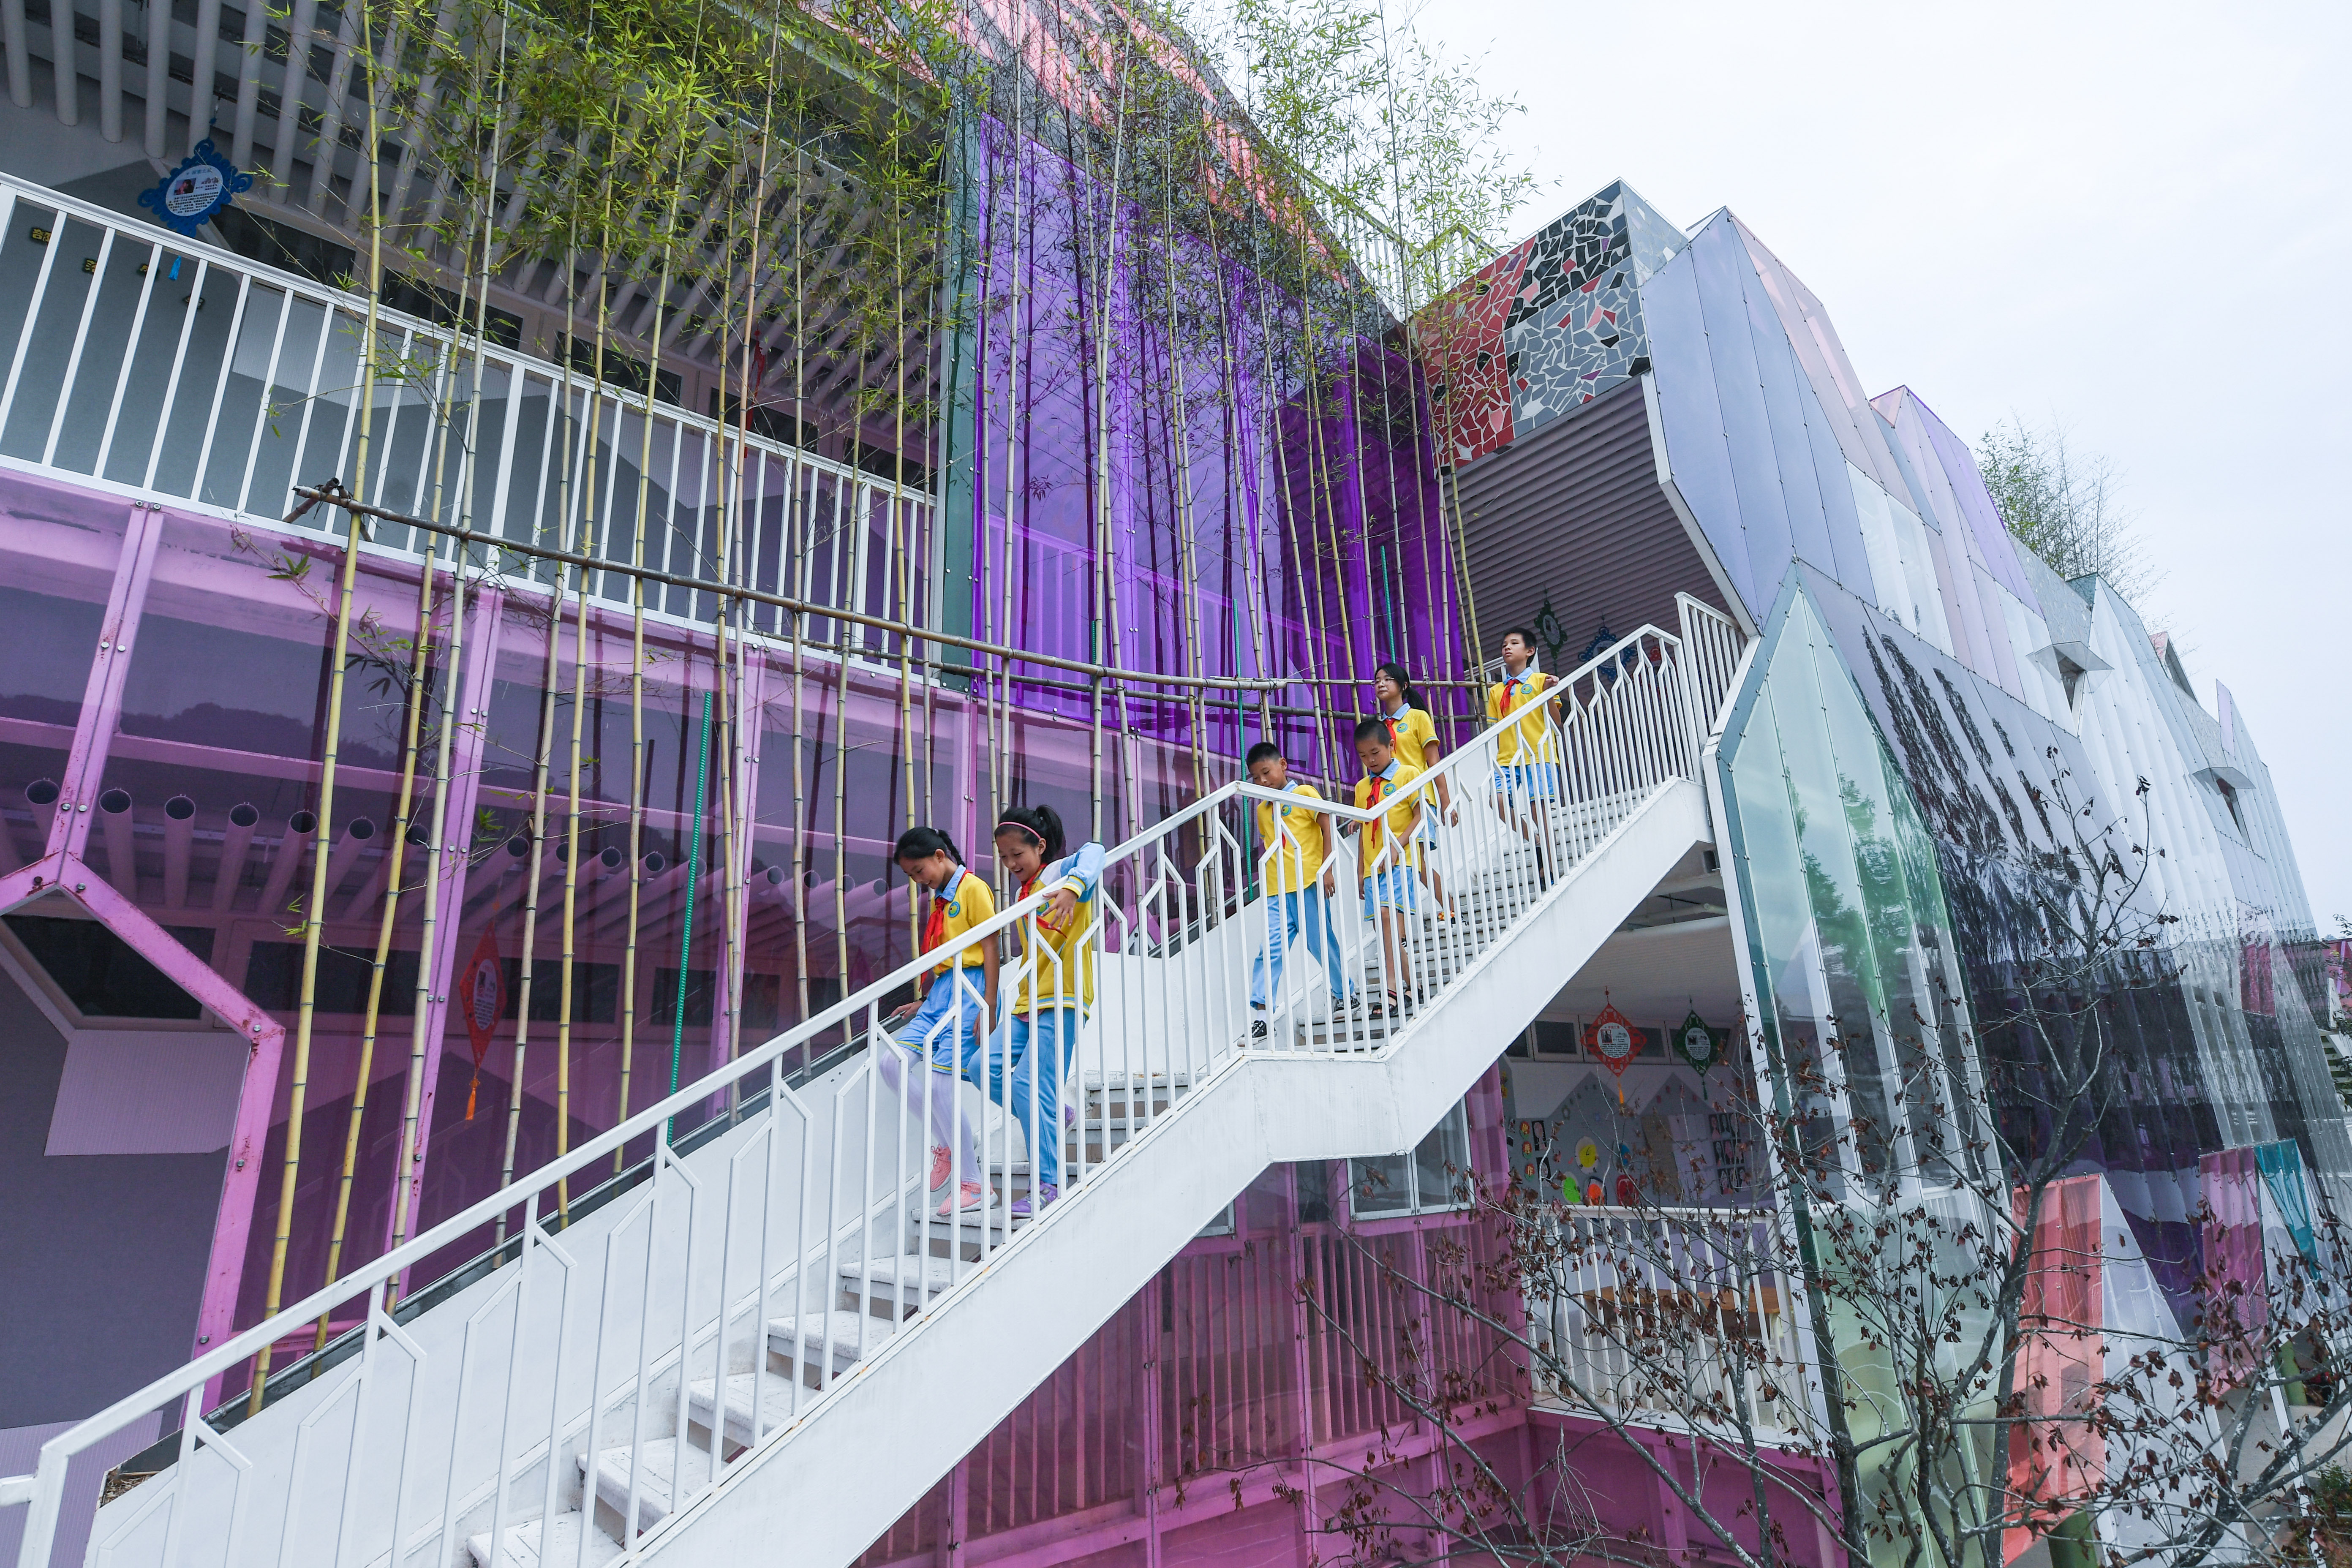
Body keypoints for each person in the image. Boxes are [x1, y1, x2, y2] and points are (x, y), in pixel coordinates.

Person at [989, 804, 1104, 1218]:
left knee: (1027, 1082)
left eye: (1017, 854)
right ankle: (1059, 1113)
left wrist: (1073, 887)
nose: (1010, 864)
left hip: (1064, 996)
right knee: (983, 1067)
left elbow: (1096, 850)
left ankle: (1050, 1184)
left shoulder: (1059, 873)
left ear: (1039, 846)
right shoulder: (1025, 894)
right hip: (1028, 999)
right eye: (1004, 857)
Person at [878, 826, 1000, 1216]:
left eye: (919, 871)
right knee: (891, 1064)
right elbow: (945, 958)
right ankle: (947, 1142)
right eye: (911, 876)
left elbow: (991, 946)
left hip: (971, 988)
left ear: (939, 855)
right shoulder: (942, 899)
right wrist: (925, 1000)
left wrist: (988, 1004)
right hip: (942, 992)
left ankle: (975, 1184)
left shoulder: (973, 888)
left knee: (941, 1086)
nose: (918, 880)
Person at [1244, 740, 1357, 1038]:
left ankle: (1346, 994)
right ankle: (1262, 1016)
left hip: (1308, 883)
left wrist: (1327, 869)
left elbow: (1326, 826)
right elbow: (1270, 845)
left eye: (1266, 772)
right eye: (1256, 778)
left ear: (1283, 765)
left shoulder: (1305, 794)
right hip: (1276, 890)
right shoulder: (1263, 809)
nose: (1263, 781)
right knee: (1270, 950)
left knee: (1321, 943)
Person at [1347, 717, 1425, 1017]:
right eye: (1363, 756)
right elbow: (1365, 831)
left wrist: (1397, 847)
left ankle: (1391, 990)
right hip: (1372, 868)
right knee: (1385, 929)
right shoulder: (1362, 787)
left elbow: (1420, 816)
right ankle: (1412, 986)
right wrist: (1360, 871)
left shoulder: (1408, 774)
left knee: (1387, 918)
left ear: (1391, 746)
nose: (1370, 761)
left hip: (1400, 861)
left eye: (1375, 753)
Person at [1372, 660, 1456, 916]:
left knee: (1416, 862)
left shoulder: (1418, 717)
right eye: (1377, 681)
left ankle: (1451, 911)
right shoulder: (1378, 727)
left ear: (1403, 685)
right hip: (1391, 803)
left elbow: (1433, 762)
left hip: (1418, 798)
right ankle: (1410, 925)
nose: (1381, 684)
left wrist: (1445, 801)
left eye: (1387, 680)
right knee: (1410, 863)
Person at [1486, 628, 1563, 871]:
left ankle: (1549, 864)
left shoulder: (1541, 680)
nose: (1507, 648)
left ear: (1530, 651)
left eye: (1514, 643)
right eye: (1504, 645)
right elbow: (1496, 729)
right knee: (1498, 801)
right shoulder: (1496, 691)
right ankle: (1537, 841)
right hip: (1508, 757)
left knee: (1538, 808)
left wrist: (1548, 693)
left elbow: (1557, 723)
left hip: (1538, 753)